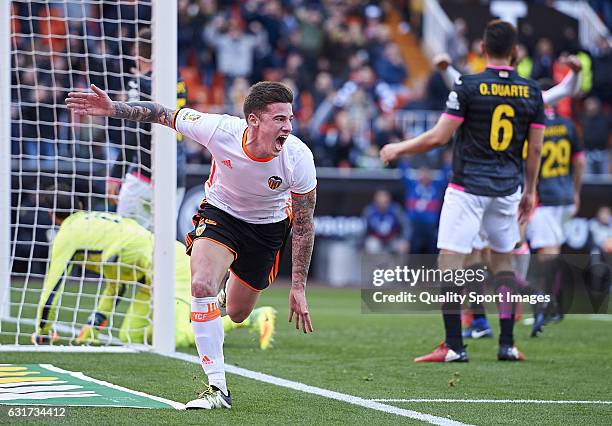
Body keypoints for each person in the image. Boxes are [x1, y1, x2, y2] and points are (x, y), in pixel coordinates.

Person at [66, 81, 317, 409]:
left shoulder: (298, 157)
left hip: (267, 230)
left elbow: (303, 225)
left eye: (290, 119)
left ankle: (224, 300)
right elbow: (162, 114)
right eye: (279, 119)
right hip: (221, 214)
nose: (288, 127)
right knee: (200, 286)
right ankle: (217, 388)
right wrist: (114, 109)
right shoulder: (219, 130)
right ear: (253, 120)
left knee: (239, 313)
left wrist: (298, 286)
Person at [381, 20, 545, 362]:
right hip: (507, 188)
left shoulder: (468, 85)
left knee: (450, 262)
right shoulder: (532, 91)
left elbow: (440, 137)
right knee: (503, 262)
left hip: (468, 186)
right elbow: (535, 150)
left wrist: (399, 148)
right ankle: (507, 345)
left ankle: (454, 345)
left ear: (482, 49)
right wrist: (529, 191)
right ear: (514, 53)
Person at [32, 185, 277, 351]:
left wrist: (43, 332)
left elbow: (52, 289)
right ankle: (196, 316)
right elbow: (117, 282)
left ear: (52, 214)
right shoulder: (94, 224)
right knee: (134, 336)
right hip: (147, 277)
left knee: (176, 337)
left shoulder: (68, 235)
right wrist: (94, 326)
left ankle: (252, 318)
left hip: (171, 266)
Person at [107, 28, 188, 230]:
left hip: (145, 172)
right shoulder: (176, 80)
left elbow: (133, 134)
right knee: (162, 241)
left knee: (126, 238)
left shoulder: (139, 83)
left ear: (136, 53)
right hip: (176, 173)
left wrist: (116, 174)